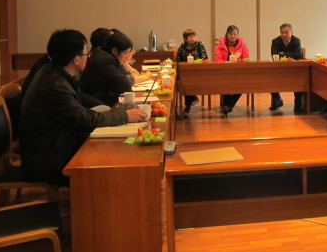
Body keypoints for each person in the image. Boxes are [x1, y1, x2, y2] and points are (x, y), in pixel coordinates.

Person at [19, 29, 145, 186]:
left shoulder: (54, 73)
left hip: (58, 145)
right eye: (86, 53)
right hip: (48, 159)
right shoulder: (54, 86)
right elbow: (85, 119)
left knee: (112, 146)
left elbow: (82, 98)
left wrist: (111, 109)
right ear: (77, 59)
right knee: (113, 157)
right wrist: (124, 115)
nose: (89, 57)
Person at [80, 30, 135, 107]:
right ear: (114, 50)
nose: (126, 57)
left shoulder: (109, 57)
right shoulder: (104, 61)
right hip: (97, 106)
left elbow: (128, 77)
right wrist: (126, 79)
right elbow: (125, 85)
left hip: (102, 103)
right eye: (125, 53)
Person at [215, 25, 250, 116]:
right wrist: (225, 63)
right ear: (227, 34)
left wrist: (238, 61)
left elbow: (246, 58)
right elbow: (218, 59)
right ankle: (227, 106)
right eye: (231, 34)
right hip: (224, 72)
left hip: (239, 72)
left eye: (235, 34)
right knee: (225, 83)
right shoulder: (220, 45)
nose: (233, 36)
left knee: (244, 84)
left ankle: (228, 104)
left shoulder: (243, 46)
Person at [270, 23, 304, 113]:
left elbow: (298, 55)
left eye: (286, 32)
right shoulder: (275, 41)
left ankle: (297, 104)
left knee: (299, 81)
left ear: (291, 33)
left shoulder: (296, 41)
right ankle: (277, 100)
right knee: (270, 79)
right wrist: (290, 55)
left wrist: (283, 53)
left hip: (294, 69)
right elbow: (274, 55)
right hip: (279, 69)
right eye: (282, 32)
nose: (284, 35)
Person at [175, 28, 208, 116]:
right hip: (185, 73)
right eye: (190, 37)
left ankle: (188, 106)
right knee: (185, 81)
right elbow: (178, 61)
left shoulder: (199, 45)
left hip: (198, 72)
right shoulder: (182, 48)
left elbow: (205, 58)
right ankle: (191, 100)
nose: (193, 38)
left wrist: (197, 63)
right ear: (185, 39)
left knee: (187, 82)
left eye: (194, 36)